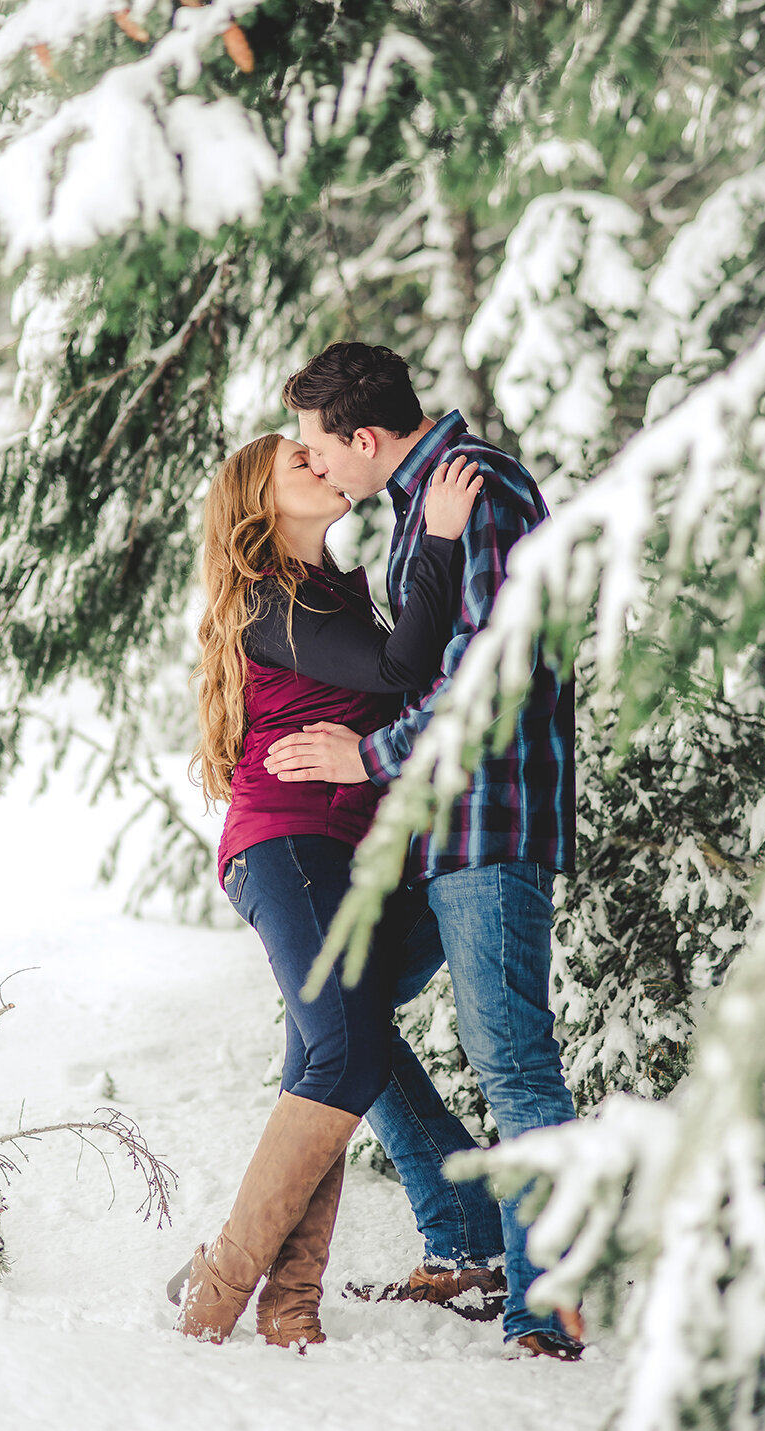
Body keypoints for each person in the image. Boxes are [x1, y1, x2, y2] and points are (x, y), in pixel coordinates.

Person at [265, 342, 583, 1361]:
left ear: (364, 437)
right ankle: (465, 1246)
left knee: (515, 1066)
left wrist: (366, 754)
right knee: (347, 1019)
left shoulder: (475, 487)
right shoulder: (422, 507)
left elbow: (490, 676)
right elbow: (414, 664)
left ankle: (548, 1306)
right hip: (433, 827)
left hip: (486, 820)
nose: (319, 468)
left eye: (320, 449)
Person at [166, 430, 482, 1349]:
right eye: (296, 463)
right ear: (261, 507)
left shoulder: (335, 590)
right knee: (345, 1053)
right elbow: (400, 672)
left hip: (354, 856)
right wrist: (444, 540)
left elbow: (400, 680)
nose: (320, 464)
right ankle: (221, 1290)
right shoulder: (271, 598)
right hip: (287, 846)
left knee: (336, 1054)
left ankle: (290, 1302)